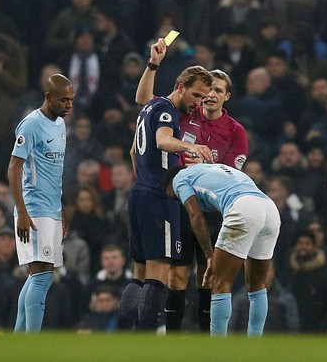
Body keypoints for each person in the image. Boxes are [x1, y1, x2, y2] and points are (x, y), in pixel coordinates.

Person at [135, 37, 248, 332]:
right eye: (204, 92)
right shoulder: (184, 113)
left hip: (212, 210)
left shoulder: (236, 131)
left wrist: (206, 165)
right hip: (180, 204)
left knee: (209, 277)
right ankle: (170, 339)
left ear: (226, 96)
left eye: (216, 91)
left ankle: (205, 340)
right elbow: (148, 101)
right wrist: (153, 64)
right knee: (175, 277)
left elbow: (231, 173)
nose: (208, 97)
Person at [118, 60, 214, 331]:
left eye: (203, 98)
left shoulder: (151, 106)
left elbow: (133, 151)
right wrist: (190, 147)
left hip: (139, 194)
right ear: (180, 87)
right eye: (196, 95)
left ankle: (124, 335)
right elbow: (162, 140)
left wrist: (152, 65)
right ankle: (146, 341)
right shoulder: (167, 111)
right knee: (159, 273)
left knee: (139, 274)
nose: (198, 103)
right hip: (159, 197)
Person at [165, 163, 280, 337]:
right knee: (257, 286)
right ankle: (255, 346)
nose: (178, 200)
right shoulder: (217, 168)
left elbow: (196, 216)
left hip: (243, 207)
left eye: (174, 197)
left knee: (220, 282)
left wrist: (209, 256)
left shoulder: (180, 178)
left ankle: (217, 349)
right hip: (270, 209)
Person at [7, 73, 74, 333]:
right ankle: (31, 345)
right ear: (48, 98)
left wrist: (62, 209)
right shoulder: (31, 125)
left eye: (71, 100)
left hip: (52, 209)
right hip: (34, 209)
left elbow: (55, 171)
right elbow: (14, 169)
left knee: (38, 277)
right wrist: (23, 213)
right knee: (43, 276)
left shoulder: (60, 125)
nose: (69, 105)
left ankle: (20, 341)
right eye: (63, 100)